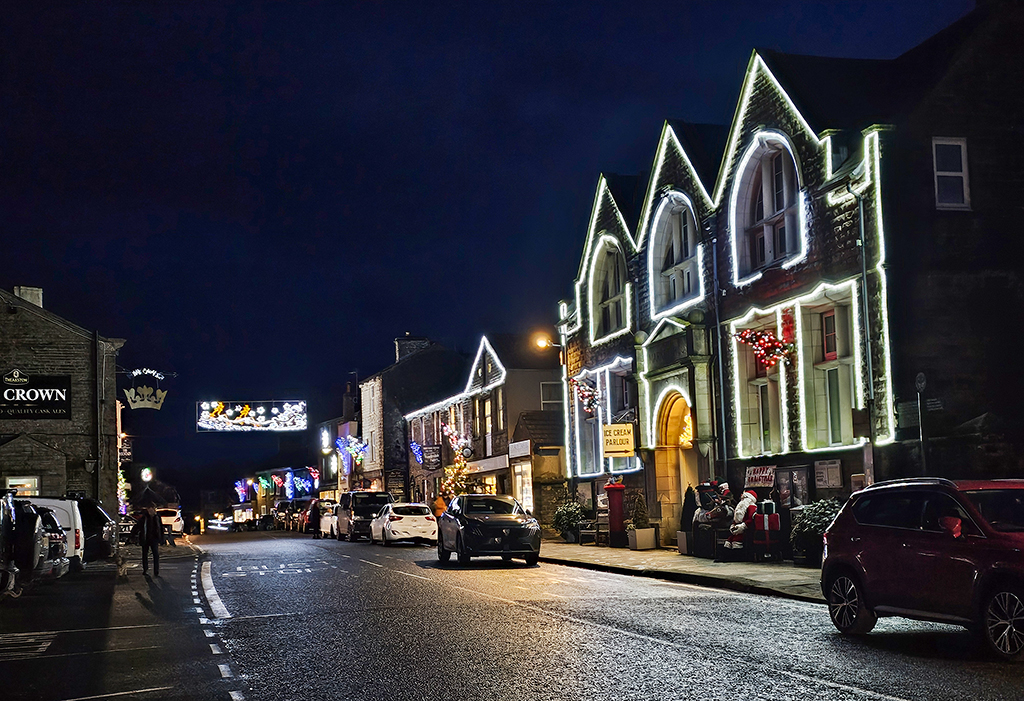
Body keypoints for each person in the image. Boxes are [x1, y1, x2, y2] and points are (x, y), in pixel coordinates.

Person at [131, 506, 165, 577]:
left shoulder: (157, 517)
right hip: (145, 538)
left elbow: (161, 528)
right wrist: (132, 536)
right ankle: (145, 569)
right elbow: (137, 526)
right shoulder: (144, 518)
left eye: (152, 509)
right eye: (149, 509)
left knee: (156, 554)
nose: (151, 511)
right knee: (145, 554)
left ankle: (156, 571)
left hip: (154, 538)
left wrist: (161, 538)